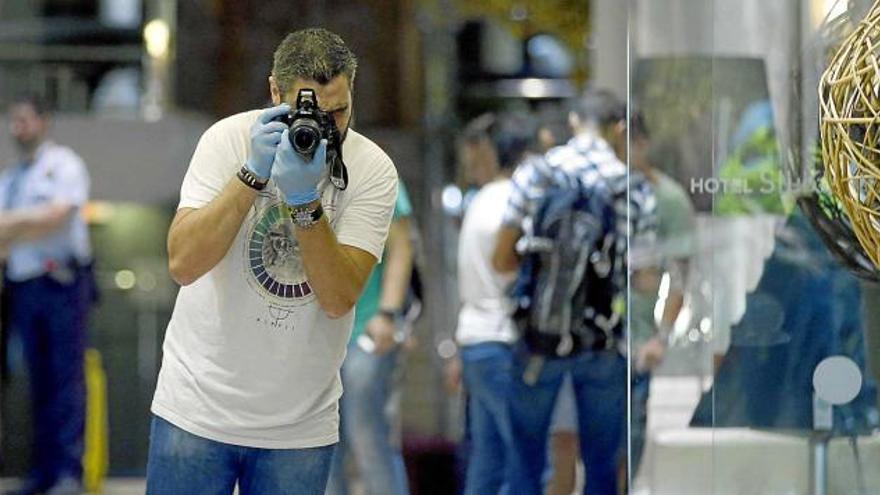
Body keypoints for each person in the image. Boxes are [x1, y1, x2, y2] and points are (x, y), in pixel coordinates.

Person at [146, 28, 399, 495]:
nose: (326, 126)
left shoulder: (373, 169)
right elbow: (183, 264)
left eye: (340, 110)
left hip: (299, 426)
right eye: (313, 111)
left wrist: (305, 202)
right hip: (197, 408)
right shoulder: (227, 140)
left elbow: (339, 297)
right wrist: (250, 176)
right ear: (275, 93)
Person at [493, 89, 657, 495]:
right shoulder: (633, 188)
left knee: (526, 466)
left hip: (538, 338)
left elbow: (500, 259)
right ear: (619, 128)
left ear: (572, 123)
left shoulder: (538, 173)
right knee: (602, 469)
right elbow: (645, 278)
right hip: (602, 342)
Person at [0, 94, 93, 495]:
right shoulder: (10, 179)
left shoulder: (64, 165)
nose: (17, 127)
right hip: (23, 286)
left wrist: (16, 224)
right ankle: (43, 472)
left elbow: (57, 216)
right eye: (12, 121)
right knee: (36, 381)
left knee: (65, 380)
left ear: (43, 121)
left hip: (62, 283)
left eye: (24, 119)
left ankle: (68, 472)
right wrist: (28, 222)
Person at [452, 112, 536, 495]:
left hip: (475, 341)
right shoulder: (511, 203)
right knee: (525, 457)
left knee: (488, 460)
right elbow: (511, 271)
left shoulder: (481, 200)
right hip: (502, 341)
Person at [326, 180, 414, 495]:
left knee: (368, 437)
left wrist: (388, 313)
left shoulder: (376, 169)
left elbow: (402, 245)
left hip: (366, 329)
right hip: (321, 339)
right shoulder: (306, 165)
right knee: (324, 444)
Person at [619, 110, 693, 478]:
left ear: (641, 143)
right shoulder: (604, 190)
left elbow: (680, 274)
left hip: (638, 341)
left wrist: (660, 337)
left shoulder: (668, 199)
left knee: (628, 443)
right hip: (595, 345)